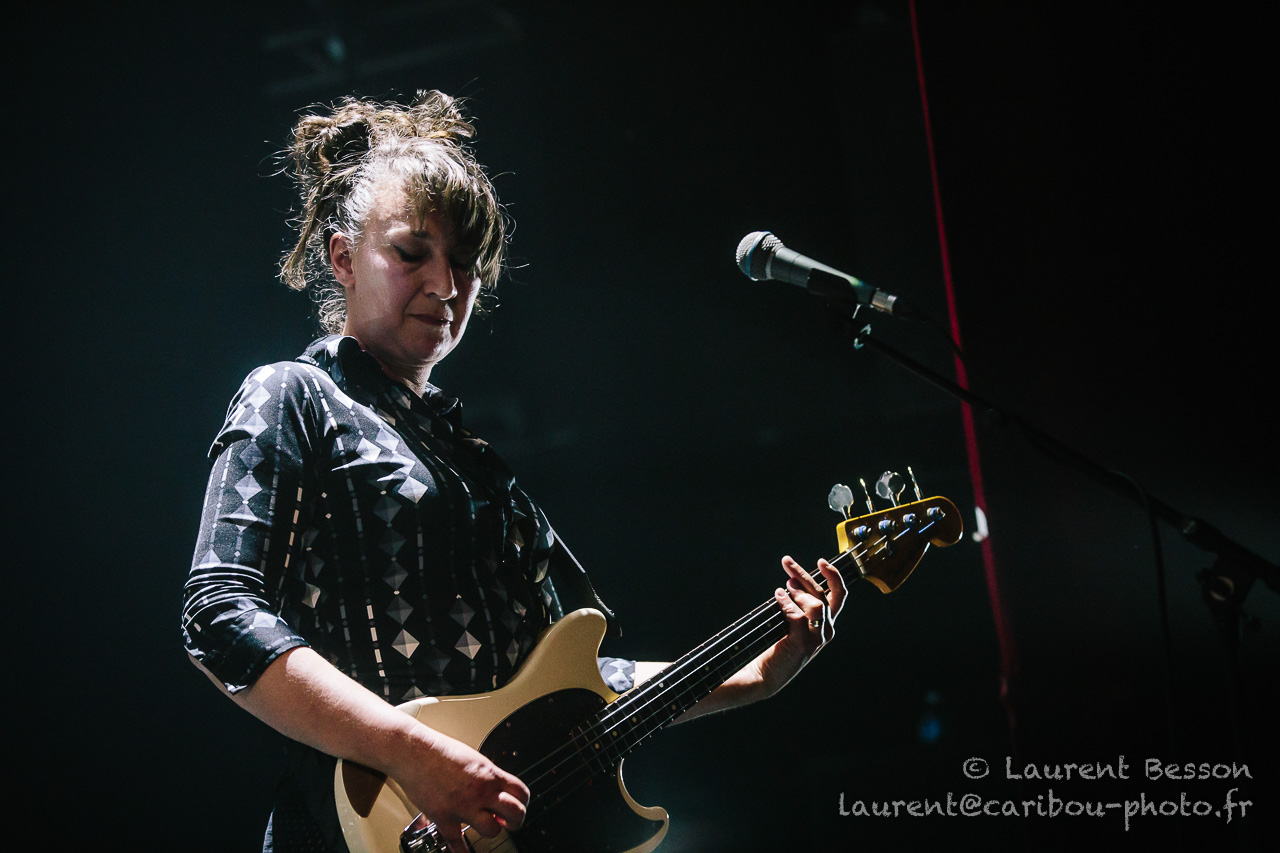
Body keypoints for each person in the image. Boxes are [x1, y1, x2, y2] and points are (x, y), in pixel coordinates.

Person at [182, 90, 845, 853]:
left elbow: (566, 692)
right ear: (342, 257)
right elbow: (219, 614)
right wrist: (411, 750)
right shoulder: (294, 395)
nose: (446, 284)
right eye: (411, 253)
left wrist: (754, 674)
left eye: (464, 263)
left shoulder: (476, 467)